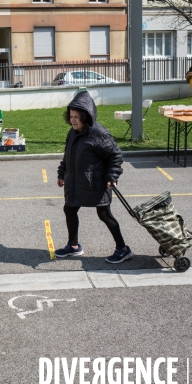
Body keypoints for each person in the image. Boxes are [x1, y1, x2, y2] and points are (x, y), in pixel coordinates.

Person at [55, 91, 133, 264]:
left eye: (77, 117)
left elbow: (115, 156)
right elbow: (68, 155)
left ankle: (123, 248)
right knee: (70, 209)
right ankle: (73, 246)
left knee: (104, 214)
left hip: (96, 183)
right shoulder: (73, 132)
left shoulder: (99, 134)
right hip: (76, 182)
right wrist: (62, 173)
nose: (73, 120)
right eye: (71, 116)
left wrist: (112, 175)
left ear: (86, 116)